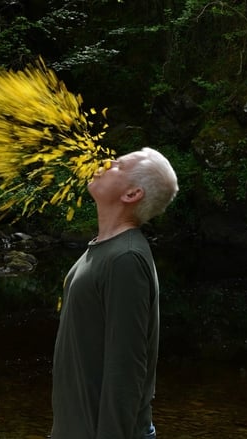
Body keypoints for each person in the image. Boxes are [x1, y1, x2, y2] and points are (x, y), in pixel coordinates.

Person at [51, 147, 179, 439]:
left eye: (119, 166)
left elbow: (126, 370)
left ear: (132, 194)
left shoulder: (126, 260)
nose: (107, 162)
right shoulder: (105, 248)